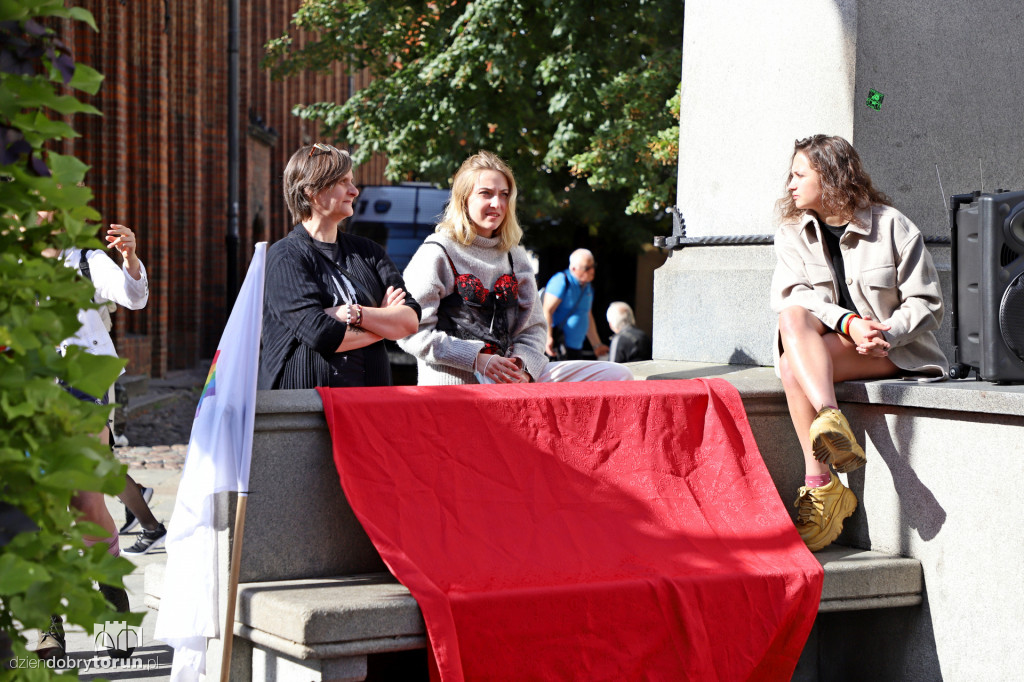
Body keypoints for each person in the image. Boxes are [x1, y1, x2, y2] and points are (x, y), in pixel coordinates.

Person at [770, 134, 947, 553]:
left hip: (892, 351)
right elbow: (792, 297)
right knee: (791, 321)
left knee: (792, 367)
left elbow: (929, 303)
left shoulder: (891, 225)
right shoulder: (792, 232)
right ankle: (830, 419)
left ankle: (822, 485)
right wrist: (848, 323)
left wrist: (886, 332)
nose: (790, 185)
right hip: (835, 343)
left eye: (799, 175)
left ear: (830, 176)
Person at [399, 150, 633, 385]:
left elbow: (534, 328)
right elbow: (410, 331)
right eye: (486, 194)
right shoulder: (436, 252)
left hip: (513, 377)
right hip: (459, 383)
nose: (497, 204)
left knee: (616, 375)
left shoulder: (515, 255)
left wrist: (522, 368)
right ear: (463, 199)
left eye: (504, 195)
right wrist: (477, 359)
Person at [38, 220, 162, 658]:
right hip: (28, 395)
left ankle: (115, 617)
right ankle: (49, 630)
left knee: (86, 503)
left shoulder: (86, 262)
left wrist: (129, 259)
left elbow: (134, 297)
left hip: (83, 391)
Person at [259, 143, 421, 390]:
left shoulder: (368, 252)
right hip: (308, 410)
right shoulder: (286, 256)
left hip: (369, 403)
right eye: (343, 182)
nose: (355, 191)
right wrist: (385, 324)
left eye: (352, 181)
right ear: (310, 191)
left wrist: (355, 313)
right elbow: (319, 333)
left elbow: (409, 320)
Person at [543, 249, 609, 360]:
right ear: (574, 269)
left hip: (577, 349)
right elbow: (547, 310)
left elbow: (587, 315)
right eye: (587, 268)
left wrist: (596, 345)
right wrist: (547, 337)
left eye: (593, 266)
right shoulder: (561, 281)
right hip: (559, 347)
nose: (592, 271)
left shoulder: (588, 286)